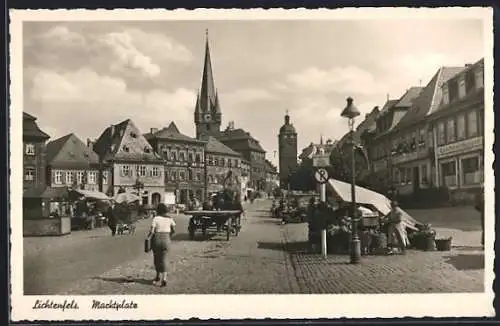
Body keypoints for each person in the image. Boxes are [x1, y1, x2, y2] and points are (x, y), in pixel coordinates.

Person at [146, 203, 176, 287]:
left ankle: (157, 276)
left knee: (157, 258)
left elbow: (152, 231)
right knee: (164, 259)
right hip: (166, 239)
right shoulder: (170, 219)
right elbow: (173, 230)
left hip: (156, 239)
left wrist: (148, 238)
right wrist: (169, 236)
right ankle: (164, 279)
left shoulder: (155, 218)